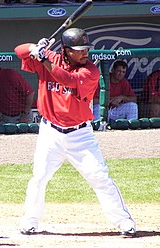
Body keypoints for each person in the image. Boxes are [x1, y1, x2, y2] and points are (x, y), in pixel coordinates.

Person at [14, 28, 136, 237]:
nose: (85, 53)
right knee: (39, 177)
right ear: (66, 50)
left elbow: (67, 80)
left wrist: (43, 57)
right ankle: (30, 220)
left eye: (86, 48)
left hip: (80, 135)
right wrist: (35, 47)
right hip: (50, 132)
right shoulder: (49, 58)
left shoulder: (91, 71)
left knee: (100, 177)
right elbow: (19, 50)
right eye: (79, 50)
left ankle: (124, 221)